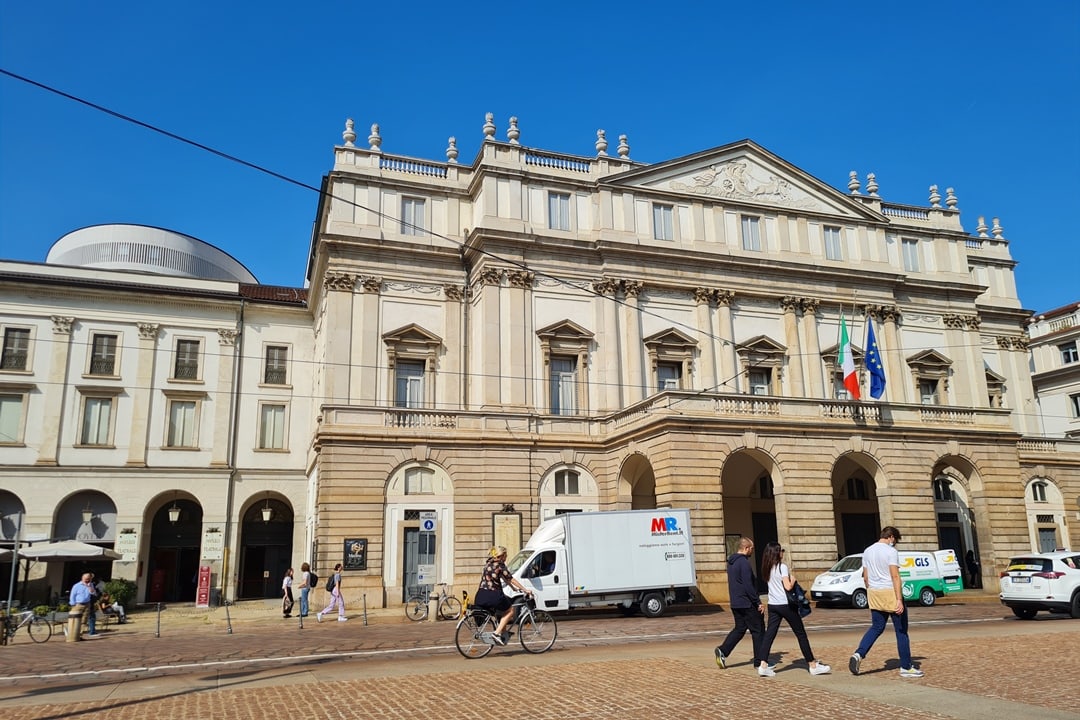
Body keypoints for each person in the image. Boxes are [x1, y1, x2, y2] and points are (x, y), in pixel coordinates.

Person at [850, 526, 924, 678]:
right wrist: (899, 599)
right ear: (891, 537)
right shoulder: (891, 552)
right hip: (890, 591)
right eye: (895, 541)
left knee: (876, 627)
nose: (894, 543)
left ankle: (859, 653)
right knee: (901, 630)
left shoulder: (867, 551)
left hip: (874, 592)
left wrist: (872, 590)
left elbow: (865, 577)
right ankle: (906, 666)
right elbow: (895, 576)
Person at [759, 542, 830, 675]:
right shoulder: (782, 567)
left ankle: (763, 665)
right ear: (777, 553)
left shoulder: (767, 567)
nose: (782, 553)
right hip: (785, 605)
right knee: (801, 634)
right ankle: (812, 665)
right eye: (781, 551)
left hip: (773, 604)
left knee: (770, 634)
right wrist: (793, 579)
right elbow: (787, 587)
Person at [714, 537, 768, 674]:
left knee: (740, 628)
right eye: (751, 549)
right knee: (758, 630)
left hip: (736, 602)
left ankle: (723, 650)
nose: (752, 551)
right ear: (746, 548)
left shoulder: (731, 563)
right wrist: (758, 602)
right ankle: (760, 662)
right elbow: (748, 585)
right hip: (747, 602)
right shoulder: (744, 563)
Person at [475, 545, 533, 646]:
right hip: (493, 595)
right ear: (502, 556)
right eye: (506, 555)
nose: (506, 557)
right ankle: (496, 634)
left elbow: (503, 577)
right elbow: (510, 578)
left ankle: (503, 633)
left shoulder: (488, 563)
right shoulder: (500, 565)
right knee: (510, 611)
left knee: (504, 606)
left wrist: (513, 588)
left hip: (481, 594)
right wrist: (525, 590)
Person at [67, 573, 93, 642]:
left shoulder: (91, 585)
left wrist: (90, 588)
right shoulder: (77, 586)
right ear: (82, 578)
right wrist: (73, 604)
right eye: (86, 579)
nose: (87, 580)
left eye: (89, 579)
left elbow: (93, 593)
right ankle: (72, 634)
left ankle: (79, 635)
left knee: (84, 620)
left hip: (87, 603)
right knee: (74, 620)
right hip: (78, 604)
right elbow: (72, 595)